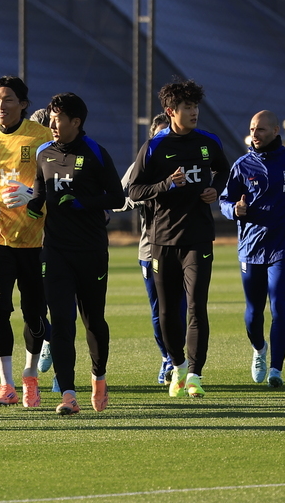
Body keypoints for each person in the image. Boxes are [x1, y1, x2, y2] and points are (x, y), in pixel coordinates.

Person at [124, 79, 229, 398]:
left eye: (195, 106)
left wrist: (217, 189)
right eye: (187, 107)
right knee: (168, 312)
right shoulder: (155, 147)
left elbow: (224, 171)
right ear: (171, 112)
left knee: (197, 306)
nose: (194, 112)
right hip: (162, 241)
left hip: (198, 239)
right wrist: (165, 185)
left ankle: (195, 375)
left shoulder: (209, 141)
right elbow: (133, 190)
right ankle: (178, 367)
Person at [26, 93, 125, 415]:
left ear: (76, 122)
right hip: (55, 251)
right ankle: (68, 394)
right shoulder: (44, 152)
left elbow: (117, 196)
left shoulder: (95, 152)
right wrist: (32, 204)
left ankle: (98, 377)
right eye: (51, 118)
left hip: (91, 251)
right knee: (62, 323)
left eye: (58, 119)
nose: (52, 125)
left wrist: (84, 202)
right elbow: (41, 189)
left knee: (93, 320)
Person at [220, 110, 285, 388]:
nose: (255, 134)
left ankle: (276, 369)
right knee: (254, 312)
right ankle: (259, 350)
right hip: (251, 247)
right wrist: (235, 209)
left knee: (279, 306)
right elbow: (224, 201)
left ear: (276, 131)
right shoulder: (242, 165)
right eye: (252, 129)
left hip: (284, 246)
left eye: (261, 130)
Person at [0, 75, 54, 407]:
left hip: (36, 240)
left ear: (23, 104)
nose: (0, 106)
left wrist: (34, 196)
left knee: (34, 314)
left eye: (7, 100)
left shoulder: (43, 137)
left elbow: (56, 182)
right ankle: (6, 385)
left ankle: (30, 376)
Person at [120, 113, 182, 387]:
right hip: (150, 250)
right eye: (158, 135)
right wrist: (143, 196)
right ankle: (168, 357)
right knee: (159, 311)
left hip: (185, 246)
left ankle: (183, 362)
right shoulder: (140, 166)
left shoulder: (188, 161)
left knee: (183, 307)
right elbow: (120, 198)